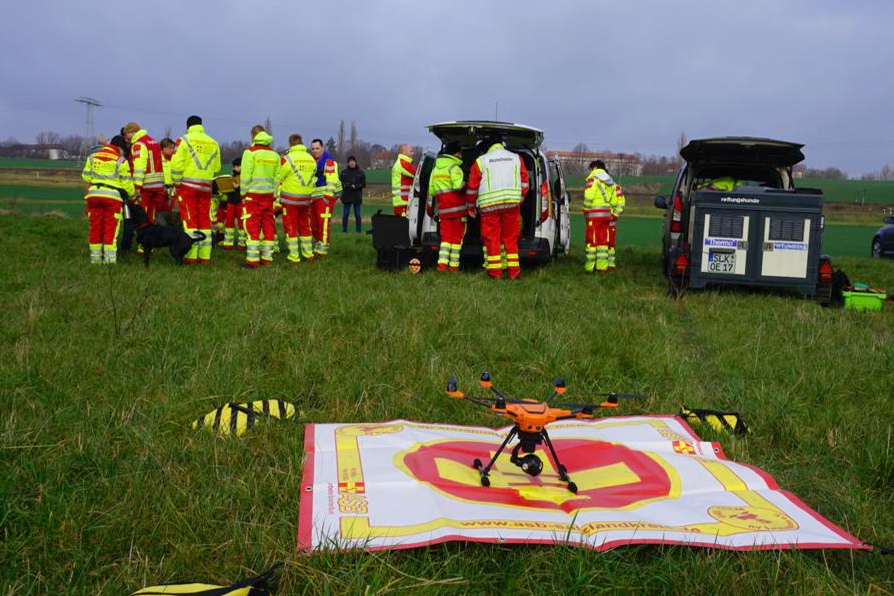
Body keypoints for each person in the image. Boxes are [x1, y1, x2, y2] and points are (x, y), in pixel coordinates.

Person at [466, 135, 528, 279]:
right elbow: (525, 183)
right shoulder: (517, 158)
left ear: (488, 147)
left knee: (492, 239)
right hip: (512, 205)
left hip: (489, 206)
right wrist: (520, 200)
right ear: (502, 144)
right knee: (511, 239)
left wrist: (470, 206)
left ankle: (495, 273)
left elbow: (472, 187)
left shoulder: (481, 161)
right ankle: (514, 273)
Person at [171, 115, 221, 264]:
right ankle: (205, 256)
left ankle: (191, 256)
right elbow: (217, 167)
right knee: (205, 220)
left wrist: (176, 182)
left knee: (190, 220)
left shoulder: (184, 140)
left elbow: (176, 165)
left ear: (188, 126)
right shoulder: (213, 142)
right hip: (206, 187)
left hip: (187, 187)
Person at [81, 135, 134, 264]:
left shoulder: (93, 157)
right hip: (112, 198)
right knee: (111, 228)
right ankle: (109, 261)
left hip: (94, 196)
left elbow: (86, 177)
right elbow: (127, 184)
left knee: (95, 227)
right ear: (120, 148)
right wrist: (132, 195)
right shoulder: (121, 161)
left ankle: (95, 260)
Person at [240, 126, 281, 267]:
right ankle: (267, 259)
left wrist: (243, 194)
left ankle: (252, 261)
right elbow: (277, 179)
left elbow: (245, 176)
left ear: (253, 136)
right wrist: (274, 195)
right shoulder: (275, 155)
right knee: (268, 226)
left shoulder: (250, 153)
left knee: (252, 227)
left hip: (253, 196)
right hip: (269, 196)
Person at [279, 134, 317, 263]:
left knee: (291, 227)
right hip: (306, 199)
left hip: (290, 199)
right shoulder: (311, 159)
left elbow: (279, 176)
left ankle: (294, 256)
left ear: (290, 144)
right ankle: (308, 254)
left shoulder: (287, 159)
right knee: (305, 225)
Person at [429, 143, 466, 271]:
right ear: (455, 154)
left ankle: (442, 266)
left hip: (444, 211)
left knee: (445, 240)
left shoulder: (435, 169)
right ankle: (454, 267)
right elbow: (458, 186)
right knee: (456, 240)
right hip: (458, 211)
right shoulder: (454, 168)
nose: (461, 155)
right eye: (460, 153)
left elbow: (432, 191)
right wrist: (467, 183)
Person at [123, 123, 167, 224]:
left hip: (145, 185)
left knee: (142, 214)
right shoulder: (153, 142)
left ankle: (143, 237)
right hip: (158, 184)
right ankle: (152, 236)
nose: (126, 138)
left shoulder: (139, 144)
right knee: (152, 214)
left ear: (131, 132)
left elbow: (139, 167)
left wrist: (137, 187)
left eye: (126, 134)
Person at [309, 138, 342, 257]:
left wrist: (328, 196)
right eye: (313, 149)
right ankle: (317, 244)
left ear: (323, 148)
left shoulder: (329, 162)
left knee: (323, 223)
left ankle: (322, 249)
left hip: (325, 198)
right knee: (314, 224)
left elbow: (332, 180)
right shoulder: (312, 161)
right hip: (313, 198)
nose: (315, 151)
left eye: (317, 148)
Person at [582, 160, 616, 274]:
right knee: (602, 242)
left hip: (594, 215)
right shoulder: (610, 181)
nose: (590, 171)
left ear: (595, 168)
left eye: (590, 169)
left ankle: (589, 267)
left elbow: (589, 196)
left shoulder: (593, 179)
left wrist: (586, 209)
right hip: (606, 215)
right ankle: (602, 268)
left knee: (591, 241)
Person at [219, 157, 243, 250]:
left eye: (237, 166)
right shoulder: (232, 176)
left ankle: (242, 244)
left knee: (241, 225)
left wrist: (238, 186)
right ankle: (228, 244)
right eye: (234, 167)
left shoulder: (245, 176)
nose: (234, 168)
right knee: (229, 223)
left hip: (240, 203)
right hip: (231, 203)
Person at [339, 155, 365, 233]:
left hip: (357, 196)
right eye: (350, 162)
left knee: (357, 215)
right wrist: (347, 185)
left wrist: (356, 186)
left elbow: (364, 184)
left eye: (353, 161)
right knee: (345, 215)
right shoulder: (344, 172)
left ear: (355, 162)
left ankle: (358, 231)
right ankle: (344, 231)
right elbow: (340, 182)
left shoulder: (361, 172)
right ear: (348, 163)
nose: (352, 163)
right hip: (347, 196)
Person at [391, 144, 417, 216]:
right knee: (404, 226)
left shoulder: (400, 162)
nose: (413, 153)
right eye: (411, 151)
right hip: (402, 202)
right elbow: (417, 173)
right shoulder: (403, 163)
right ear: (404, 152)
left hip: (400, 202)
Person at [608, 177, 626, 270]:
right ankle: (600, 263)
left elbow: (621, 202)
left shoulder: (616, 188)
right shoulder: (597, 186)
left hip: (610, 220)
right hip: (600, 219)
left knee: (610, 242)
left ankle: (610, 263)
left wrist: (615, 214)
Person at [159, 137, 177, 211]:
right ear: (163, 148)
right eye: (170, 148)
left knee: (172, 210)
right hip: (161, 190)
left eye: (173, 148)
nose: (172, 150)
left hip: (173, 189)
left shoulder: (174, 159)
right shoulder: (158, 159)